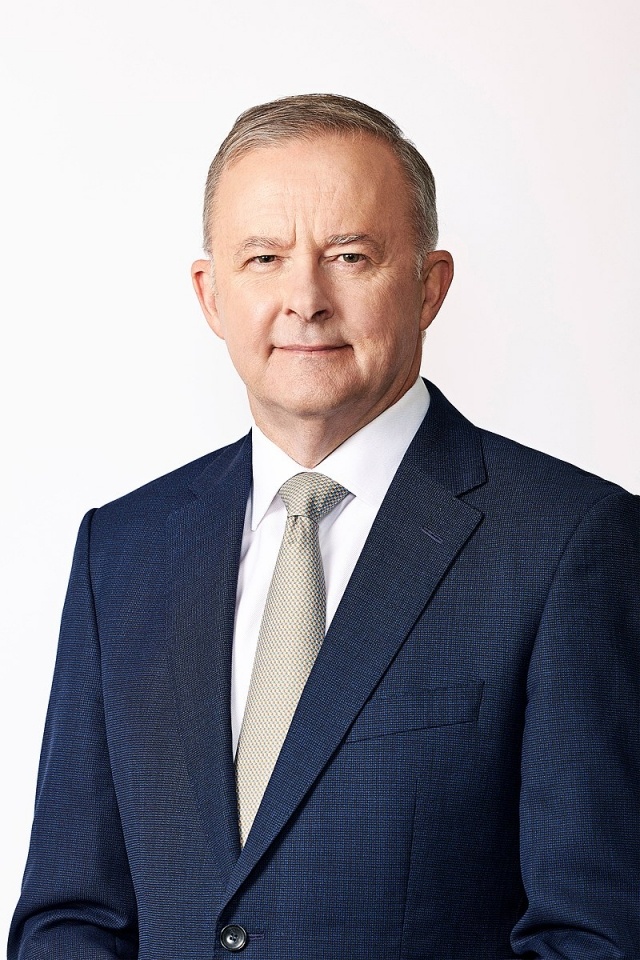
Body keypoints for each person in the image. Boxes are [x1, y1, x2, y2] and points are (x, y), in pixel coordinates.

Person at [8, 94, 639, 960]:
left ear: (428, 285)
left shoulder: (571, 543)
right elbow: (71, 917)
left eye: (350, 256)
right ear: (211, 295)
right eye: (264, 258)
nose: (305, 300)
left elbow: (597, 935)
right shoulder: (122, 551)